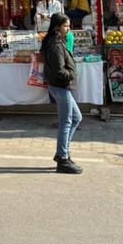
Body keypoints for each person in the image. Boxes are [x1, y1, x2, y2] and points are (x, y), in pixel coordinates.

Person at [40, 13, 83, 175]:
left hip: (61, 86)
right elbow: (59, 70)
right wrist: (71, 75)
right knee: (66, 122)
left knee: (77, 118)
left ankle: (62, 152)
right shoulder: (55, 45)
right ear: (58, 27)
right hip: (60, 86)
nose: (68, 28)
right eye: (66, 26)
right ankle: (63, 158)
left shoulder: (58, 42)